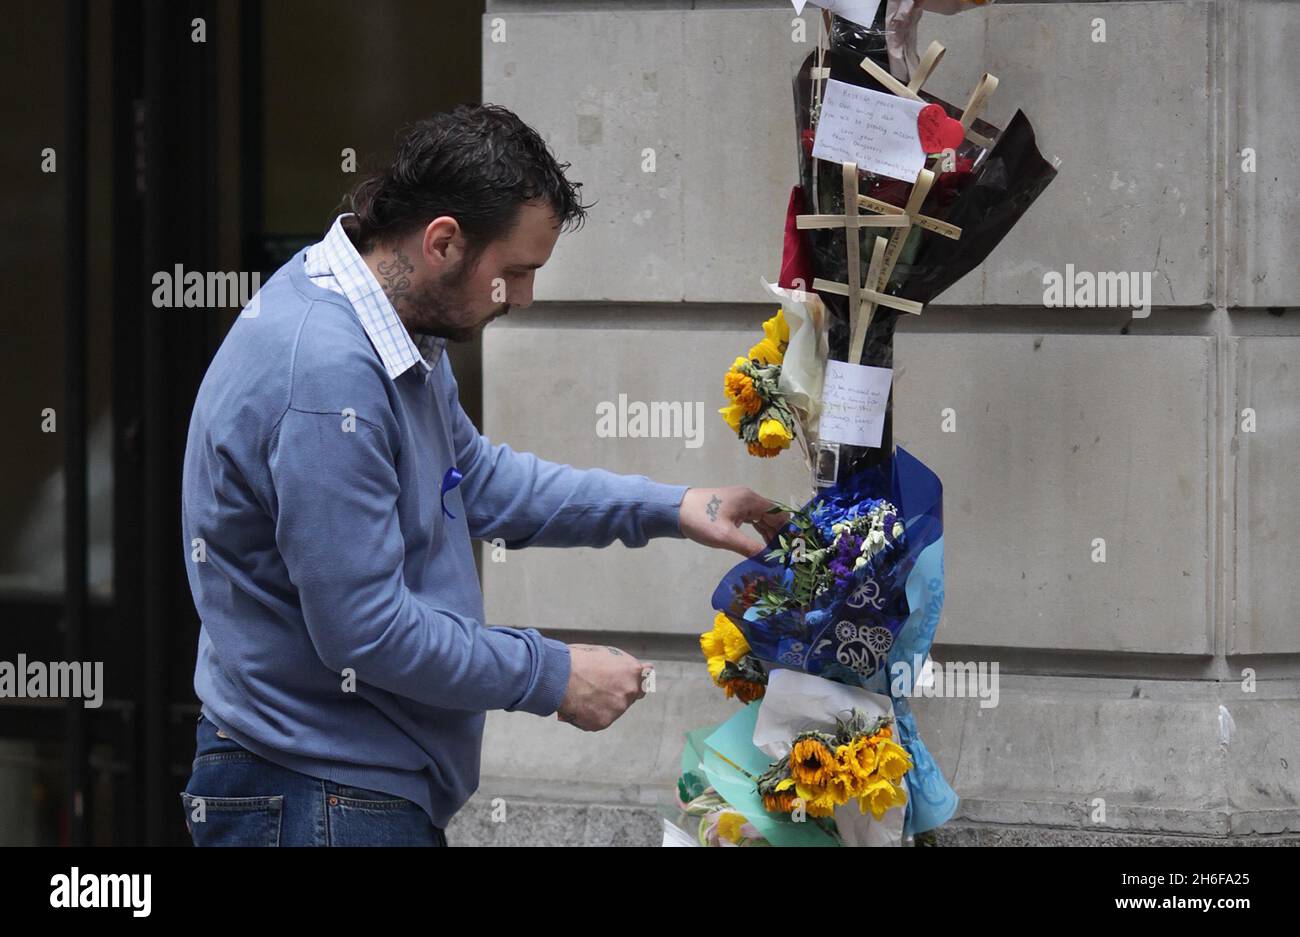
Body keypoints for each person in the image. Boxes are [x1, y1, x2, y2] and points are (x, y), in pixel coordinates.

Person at [179, 103, 788, 846]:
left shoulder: (386, 325)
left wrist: (675, 506)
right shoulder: (330, 374)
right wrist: (552, 674)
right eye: (516, 272)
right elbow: (364, 631)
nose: (524, 297)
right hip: (318, 794)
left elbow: (479, 482)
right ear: (443, 241)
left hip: (338, 787)